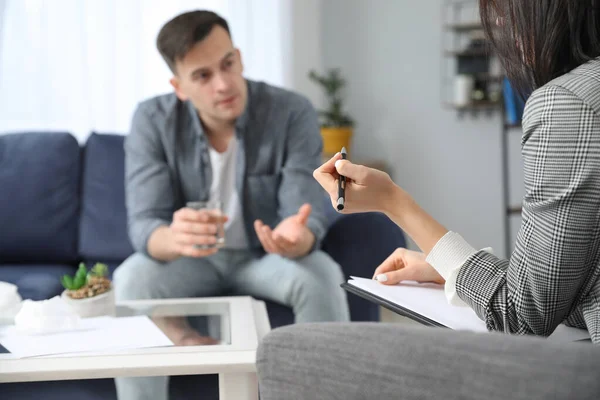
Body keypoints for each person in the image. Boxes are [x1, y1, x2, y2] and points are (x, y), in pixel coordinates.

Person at [314, 0, 600, 344]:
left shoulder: (567, 103)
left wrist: (394, 202)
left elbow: (518, 317)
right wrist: (456, 270)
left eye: (501, 9)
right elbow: (572, 287)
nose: (498, 23)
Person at [113, 9, 349, 400]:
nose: (223, 84)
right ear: (179, 86)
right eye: (203, 76)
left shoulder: (291, 111)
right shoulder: (151, 120)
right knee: (130, 279)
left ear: (239, 56)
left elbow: (305, 212)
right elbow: (144, 226)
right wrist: (172, 237)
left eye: (228, 64)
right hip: (191, 260)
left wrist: (298, 236)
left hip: (266, 258)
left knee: (321, 274)